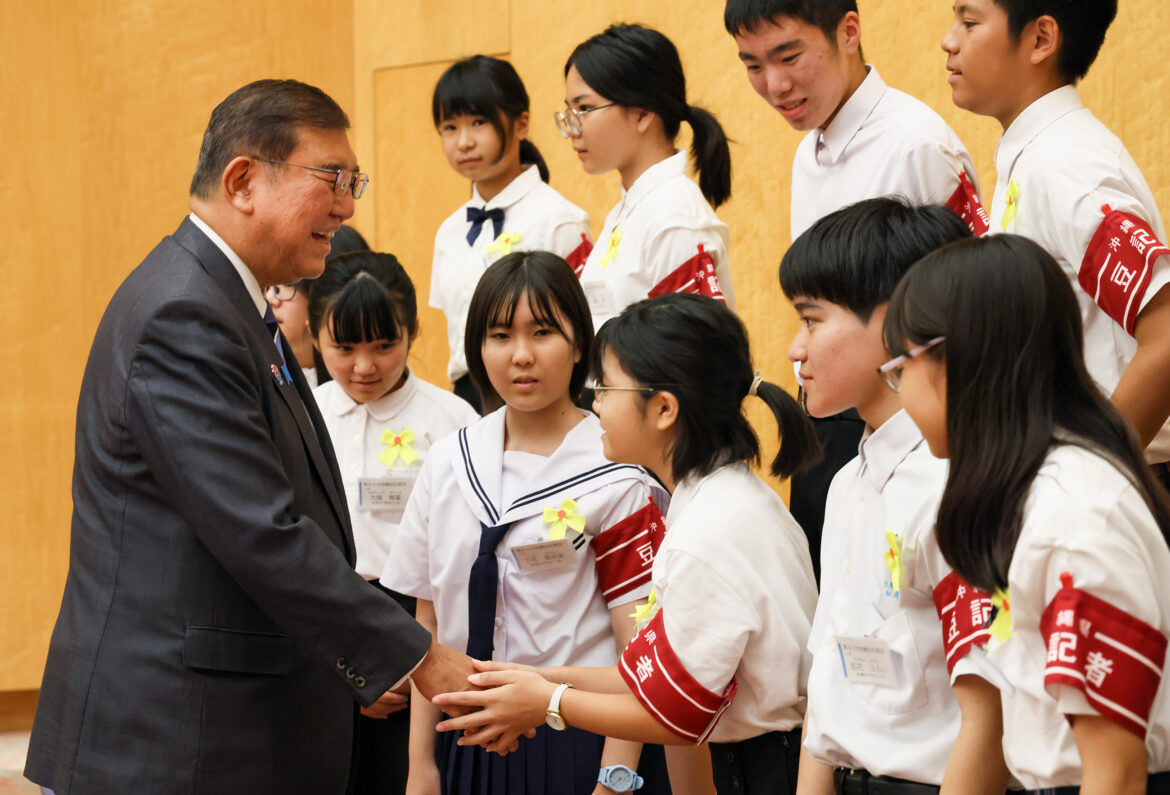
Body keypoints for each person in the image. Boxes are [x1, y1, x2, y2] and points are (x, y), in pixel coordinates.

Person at [23, 79, 475, 795]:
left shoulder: (224, 301)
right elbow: (261, 531)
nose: (348, 206)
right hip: (174, 742)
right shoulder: (185, 315)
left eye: (353, 181)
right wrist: (416, 656)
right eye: (331, 178)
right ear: (242, 182)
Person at [431, 292, 822, 795]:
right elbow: (650, 673)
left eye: (606, 388)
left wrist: (548, 701)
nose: (593, 403)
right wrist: (538, 680)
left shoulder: (710, 532)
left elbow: (676, 711)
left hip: (766, 770)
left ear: (663, 409)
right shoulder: (715, 500)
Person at [884, 233, 1170, 792]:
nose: (899, 392)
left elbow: (1115, 771)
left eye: (900, 369)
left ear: (957, 359)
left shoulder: (1071, 516)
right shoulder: (1043, 495)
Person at [382, 251, 671, 795]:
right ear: (477, 346)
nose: (521, 355)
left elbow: (636, 649)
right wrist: (421, 764)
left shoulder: (617, 476)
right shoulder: (449, 462)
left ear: (580, 344)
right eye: (499, 335)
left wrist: (613, 780)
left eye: (542, 332)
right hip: (463, 735)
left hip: (578, 734)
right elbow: (429, 621)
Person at [725, 0, 985, 580]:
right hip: (832, 421)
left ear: (848, 31)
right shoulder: (808, 154)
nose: (775, 84)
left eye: (789, 55)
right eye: (753, 65)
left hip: (914, 428)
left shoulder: (916, 145)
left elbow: (967, 306)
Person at [781, 199, 1007, 795]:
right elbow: (828, 685)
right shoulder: (846, 485)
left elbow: (989, 718)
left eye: (811, 320)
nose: (795, 350)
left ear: (896, 320)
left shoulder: (955, 485)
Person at [942, 0, 1170, 479]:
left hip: (1118, 484)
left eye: (969, 22)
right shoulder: (1036, 156)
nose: (949, 40)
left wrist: (1091, 477)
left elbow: (1167, 336)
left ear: (1041, 39)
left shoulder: (1067, 165)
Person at [309, 250, 479, 795]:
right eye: (344, 348)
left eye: (384, 345)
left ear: (412, 330)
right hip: (326, 621)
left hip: (422, 621)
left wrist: (414, 656)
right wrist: (345, 664)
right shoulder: (303, 415)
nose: (364, 366)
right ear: (314, 336)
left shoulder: (452, 421)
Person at [429, 55, 592, 411]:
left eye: (479, 122)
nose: (464, 142)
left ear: (521, 124)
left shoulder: (559, 220)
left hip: (542, 397)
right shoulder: (449, 231)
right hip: (469, 400)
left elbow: (585, 324)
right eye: (450, 127)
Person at [563, 24, 736, 331]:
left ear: (642, 114)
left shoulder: (674, 218)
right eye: (569, 112)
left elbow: (688, 351)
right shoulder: (633, 209)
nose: (571, 129)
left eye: (585, 108)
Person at [267, 224, 370, 388]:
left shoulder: (365, 386)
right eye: (270, 286)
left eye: (289, 284)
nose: (271, 298)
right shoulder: (262, 377)